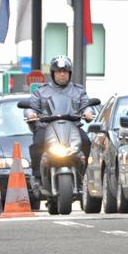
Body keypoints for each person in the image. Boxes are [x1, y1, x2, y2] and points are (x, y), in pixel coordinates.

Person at [25, 55, 95, 188]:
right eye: (59, 71)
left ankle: (82, 175)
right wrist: (31, 114)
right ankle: (37, 177)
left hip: (72, 127)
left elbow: (86, 105)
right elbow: (31, 107)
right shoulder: (41, 91)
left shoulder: (78, 91)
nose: (62, 74)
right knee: (38, 142)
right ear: (53, 73)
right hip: (47, 127)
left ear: (69, 73)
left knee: (85, 141)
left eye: (65, 71)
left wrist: (88, 112)